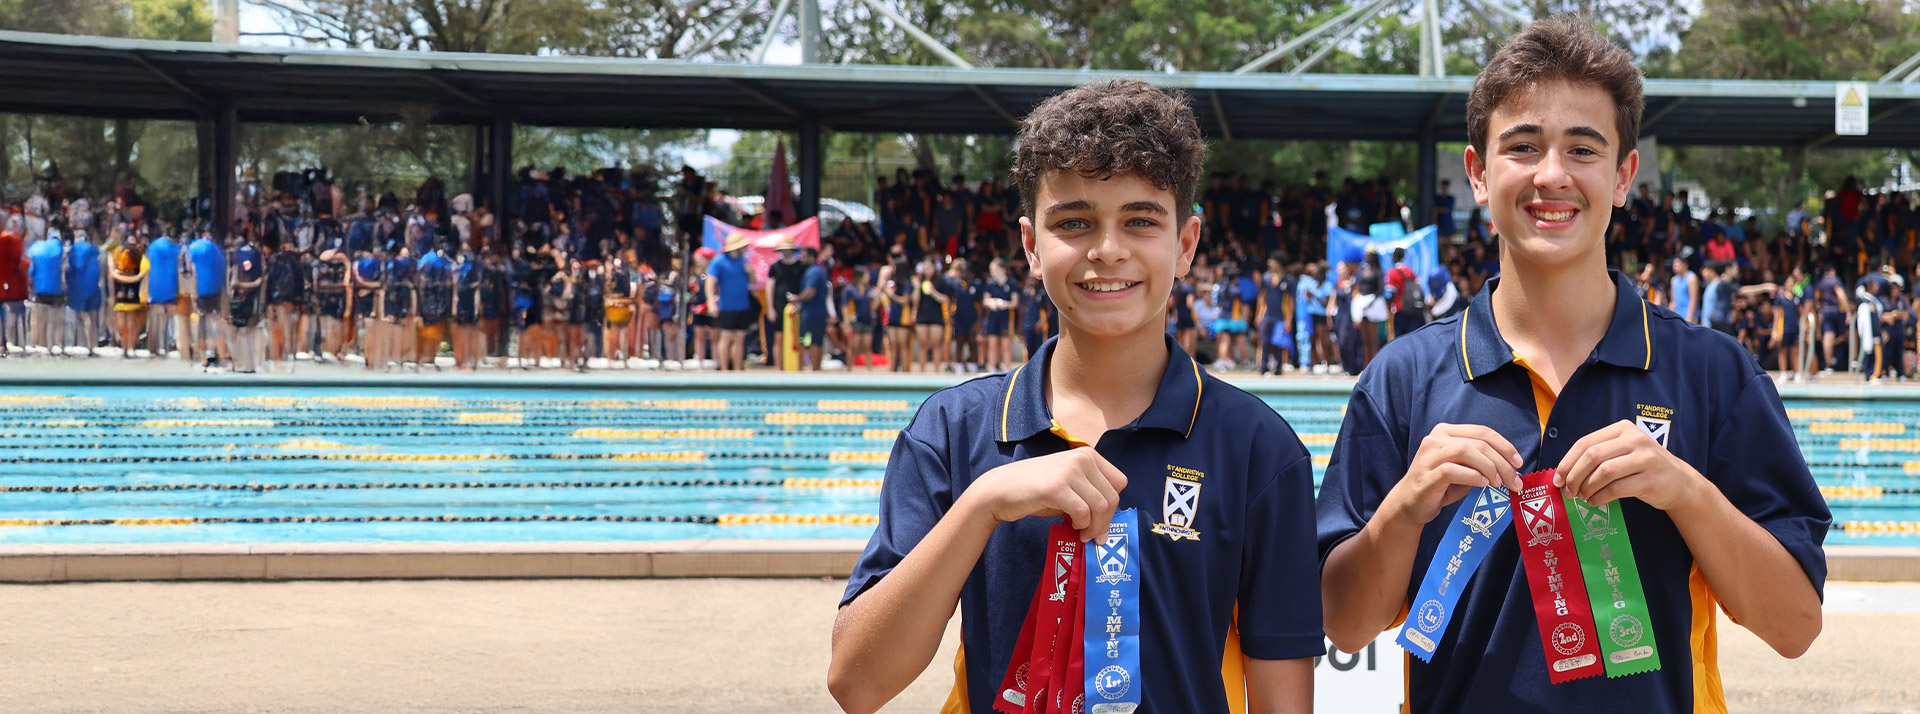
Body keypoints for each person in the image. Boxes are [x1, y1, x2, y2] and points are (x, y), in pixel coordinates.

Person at [1317, 18, 1828, 714]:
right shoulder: (1402, 378)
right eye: (1522, 147)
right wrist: (1404, 511)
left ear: (1622, 177)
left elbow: (1795, 627)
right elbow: (1341, 624)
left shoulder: (1715, 374)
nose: (1551, 175)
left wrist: (1684, 490)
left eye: (1582, 149)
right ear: (1477, 173)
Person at [830, 78, 1321, 714]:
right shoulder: (954, 431)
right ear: (1033, 246)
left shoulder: (1258, 447)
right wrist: (982, 505)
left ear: (1186, 244)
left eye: (1140, 220)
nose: (1107, 250)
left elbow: (1282, 692)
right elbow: (857, 684)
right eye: (1075, 222)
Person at [707, 233, 752, 371]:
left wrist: (750, 271)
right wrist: (711, 302)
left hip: (743, 305)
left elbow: (753, 282)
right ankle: (724, 369)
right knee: (726, 337)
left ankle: (738, 369)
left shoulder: (744, 261)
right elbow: (710, 282)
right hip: (727, 305)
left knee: (740, 338)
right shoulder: (719, 261)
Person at [186, 229, 227, 369]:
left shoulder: (194, 249)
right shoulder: (217, 250)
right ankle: (215, 353)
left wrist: (193, 293)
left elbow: (193, 272)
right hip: (216, 290)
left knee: (201, 323)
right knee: (215, 321)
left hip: (202, 291)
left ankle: (202, 356)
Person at [227, 234, 265, 373]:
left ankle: (245, 364)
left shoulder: (236, 259)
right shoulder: (239, 261)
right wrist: (253, 284)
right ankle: (241, 364)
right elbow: (234, 284)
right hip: (242, 301)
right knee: (243, 333)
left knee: (246, 332)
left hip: (244, 300)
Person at [26, 229, 66, 356]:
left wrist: (30, 286)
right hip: (56, 290)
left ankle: (39, 344)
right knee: (55, 320)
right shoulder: (61, 249)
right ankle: (55, 344)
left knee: (39, 319)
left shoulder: (37, 248)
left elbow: (31, 271)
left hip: (39, 289)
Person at [790, 247, 831, 370]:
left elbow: (810, 291)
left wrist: (797, 298)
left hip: (811, 312)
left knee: (805, 341)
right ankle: (816, 369)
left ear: (811, 257)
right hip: (819, 312)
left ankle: (804, 368)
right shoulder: (820, 270)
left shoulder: (812, 272)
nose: (801, 258)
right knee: (817, 341)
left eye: (804, 255)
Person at [65, 229, 103, 357]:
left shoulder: (71, 251)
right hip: (92, 285)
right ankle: (91, 345)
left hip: (77, 286)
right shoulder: (94, 250)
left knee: (80, 315)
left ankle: (82, 344)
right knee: (91, 317)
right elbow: (98, 267)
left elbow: (68, 269)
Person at [109, 230, 146, 358]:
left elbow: (113, 271)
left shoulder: (119, 253)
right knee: (128, 323)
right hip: (130, 291)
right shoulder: (138, 255)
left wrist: (121, 276)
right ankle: (128, 347)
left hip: (123, 291)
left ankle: (127, 347)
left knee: (126, 323)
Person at [979, 259, 1018, 372]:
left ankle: (1007, 369)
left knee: (1006, 344)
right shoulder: (990, 284)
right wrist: (992, 302)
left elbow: (1015, 302)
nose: (993, 272)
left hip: (1005, 317)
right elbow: (985, 300)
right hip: (993, 317)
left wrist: (1005, 304)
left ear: (1003, 269)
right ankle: (992, 368)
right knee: (992, 344)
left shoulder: (1011, 284)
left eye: (995, 269)